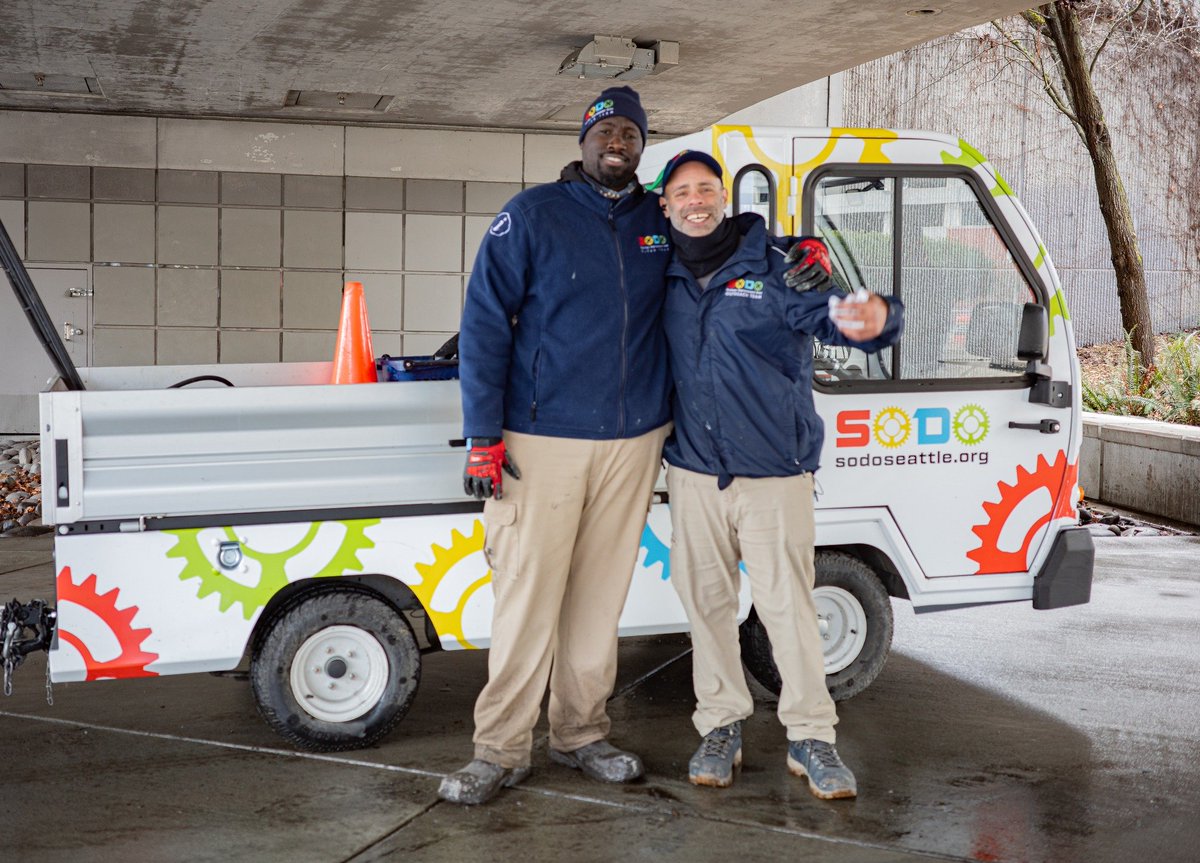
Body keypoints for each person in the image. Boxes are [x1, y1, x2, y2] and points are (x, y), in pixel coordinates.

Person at [439, 86, 672, 806]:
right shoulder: (533, 215)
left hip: (634, 442)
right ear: (583, 141)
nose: (617, 143)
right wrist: (483, 434)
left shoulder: (659, 220)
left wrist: (795, 254)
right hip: (542, 440)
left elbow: (727, 245)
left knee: (599, 601)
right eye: (605, 131)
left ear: (642, 145)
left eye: (630, 133)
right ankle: (499, 748)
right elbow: (483, 323)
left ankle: (580, 733)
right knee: (526, 598)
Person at [654, 150, 903, 799]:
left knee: (787, 607)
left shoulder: (776, 266)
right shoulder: (661, 270)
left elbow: (838, 317)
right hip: (695, 474)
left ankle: (811, 734)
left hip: (774, 473)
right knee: (706, 604)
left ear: (724, 196)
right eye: (682, 192)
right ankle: (720, 724)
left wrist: (878, 318)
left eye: (705, 188)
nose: (695, 200)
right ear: (666, 204)